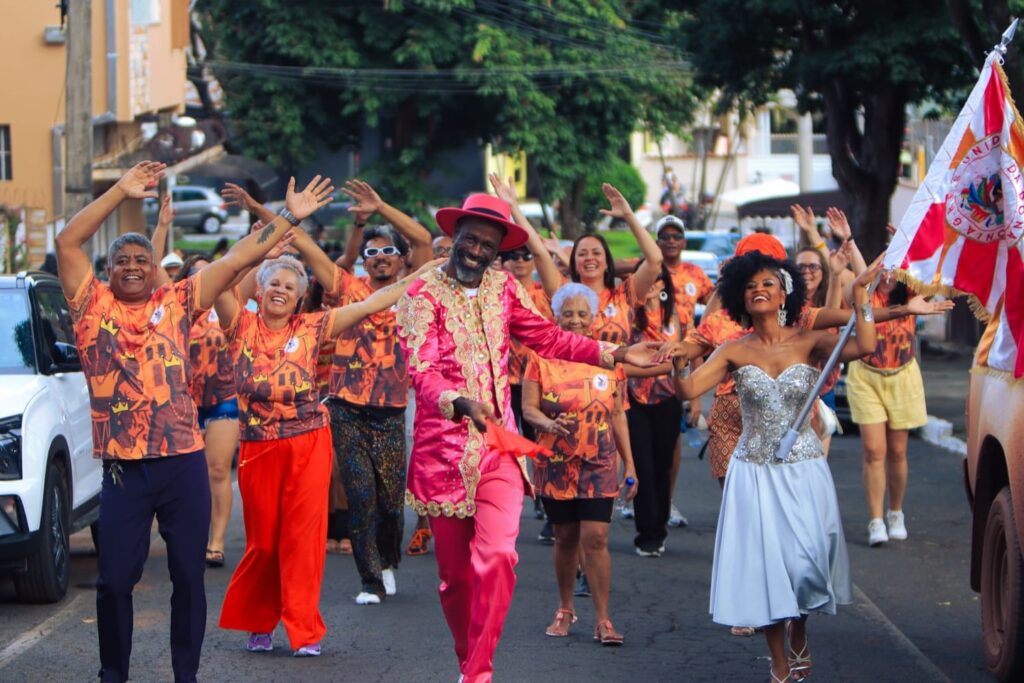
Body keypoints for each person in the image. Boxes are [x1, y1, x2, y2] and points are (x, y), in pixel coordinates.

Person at [55, 161, 329, 683]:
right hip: (123, 471)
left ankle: (187, 676)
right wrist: (120, 190)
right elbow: (69, 241)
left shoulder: (178, 301)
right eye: (122, 260)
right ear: (108, 270)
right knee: (114, 581)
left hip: (182, 464)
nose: (132, 266)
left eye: (142, 259)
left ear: (155, 265)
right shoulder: (90, 307)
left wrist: (286, 221)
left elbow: (236, 260)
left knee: (187, 577)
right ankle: (113, 672)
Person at [396, 192, 659, 683]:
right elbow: (423, 370)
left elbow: (549, 337)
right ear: (455, 238)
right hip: (442, 455)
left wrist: (615, 355)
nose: (477, 251)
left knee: (497, 555)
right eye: (470, 240)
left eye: (488, 246)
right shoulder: (420, 294)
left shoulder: (502, 288)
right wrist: (459, 402)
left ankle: (478, 674)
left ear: (498, 251)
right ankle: (468, 663)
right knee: (455, 581)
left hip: (499, 446)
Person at [669, 250, 879, 683]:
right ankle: (779, 660)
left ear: (784, 293)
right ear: (740, 299)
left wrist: (861, 294)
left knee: (806, 563)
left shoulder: (809, 340)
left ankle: (799, 625)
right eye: (750, 286)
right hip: (754, 472)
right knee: (764, 566)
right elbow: (688, 387)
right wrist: (675, 363)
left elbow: (867, 345)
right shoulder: (732, 350)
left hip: (803, 470)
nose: (759, 290)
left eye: (768, 283)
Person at [217, 251, 437, 656]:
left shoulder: (315, 326)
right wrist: (263, 251)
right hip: (258, 446)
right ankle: (259, 622)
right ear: (260, 291)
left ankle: (303, 629)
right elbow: (222, 280)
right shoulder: (240, 323)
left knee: (303, 540)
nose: (280, 291)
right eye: (274, 284)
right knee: (264, 543)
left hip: (308, 443)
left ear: (300, 297)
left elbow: (376, 300)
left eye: (289, 286)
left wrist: (423, 273)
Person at [296, 179, 432, 604]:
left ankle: (389, 561)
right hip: (347, 407)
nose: (378, 258)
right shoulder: (345, 289)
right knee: (360, 496)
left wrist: (381, 206)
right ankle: (370, 580)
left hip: (391, 410)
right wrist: (288, 217)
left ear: (400, 260)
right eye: (371, 253)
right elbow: (313, 253)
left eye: (387, 251)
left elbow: (424, 240)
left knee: (391, 501)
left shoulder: (417, 287)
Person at [522, 283, 638, 644]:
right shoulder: (540, 357)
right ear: (555, 318)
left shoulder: (608, 357)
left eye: (582, 314)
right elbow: (528, 408)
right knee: (565, 537)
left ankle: (604, 619)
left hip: (599, 461)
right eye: (567, 314)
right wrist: (547, 424)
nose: (575, 320)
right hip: (556, 462)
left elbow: (618, 413)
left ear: (593, 319)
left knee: (597, 537)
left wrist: (630, 465)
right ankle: (565, 607)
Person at [848, 273, 929, 546]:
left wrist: (908, 237)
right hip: (866, 376)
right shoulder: (866, 293)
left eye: (896, 268)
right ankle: (875, 520)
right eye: (885, 267)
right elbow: (858, 276)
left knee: (897, 452)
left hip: (903, 376)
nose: (889, 274)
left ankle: (895, 512)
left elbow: (932, 269)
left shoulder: (911, 292)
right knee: (873, 451)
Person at [651, 214, 715, 530]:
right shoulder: (647, 270)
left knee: (671, 441)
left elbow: (716, 308)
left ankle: (667, 501)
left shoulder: (695, 275)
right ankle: (637, 498)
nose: (671, 241)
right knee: (639, 441)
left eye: (677, 236)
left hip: (681, 360)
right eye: (665, 236)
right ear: (657, 240)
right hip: (645, 361)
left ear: (684, 241)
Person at [627, 263, 683, 557]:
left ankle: (660, 528)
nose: (651, 282)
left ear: (664, 284)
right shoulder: (627, 312)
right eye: (645, 276)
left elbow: (690, 353)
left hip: (668, 398)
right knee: (643, 467)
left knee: (662, 465)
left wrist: (696, 399)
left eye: (657, 278)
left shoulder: (675, 314)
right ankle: (646, 532)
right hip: (634, 398)